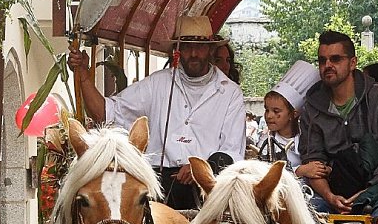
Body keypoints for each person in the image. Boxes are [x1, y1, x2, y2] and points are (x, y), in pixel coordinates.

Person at [66, 14, 245, 210]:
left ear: (211, 49)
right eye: (186, 46)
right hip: (159, 185)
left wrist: (200, 168)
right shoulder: (157, 83)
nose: (193, 53)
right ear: (177, 50)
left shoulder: (230, 92)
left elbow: (232, 150)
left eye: (200, 46)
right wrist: (82, 74)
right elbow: (105, 113)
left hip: (207, 190)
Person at [299, 30, 378, 219]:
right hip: (334, 194)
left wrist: (365, 193)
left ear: (352, 63)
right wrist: (330, 197)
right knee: (301, 215)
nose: (328, 65)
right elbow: (313, 162)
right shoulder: (311, 108)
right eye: (322, 60)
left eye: (335, 59)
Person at [257, 60, 324, 175]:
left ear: (294, 114)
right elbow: (265, 173)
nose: (269, 116)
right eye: (267, 110)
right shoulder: (266, 142)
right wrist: (300, 170)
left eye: (276, 111)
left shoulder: (308, 136)